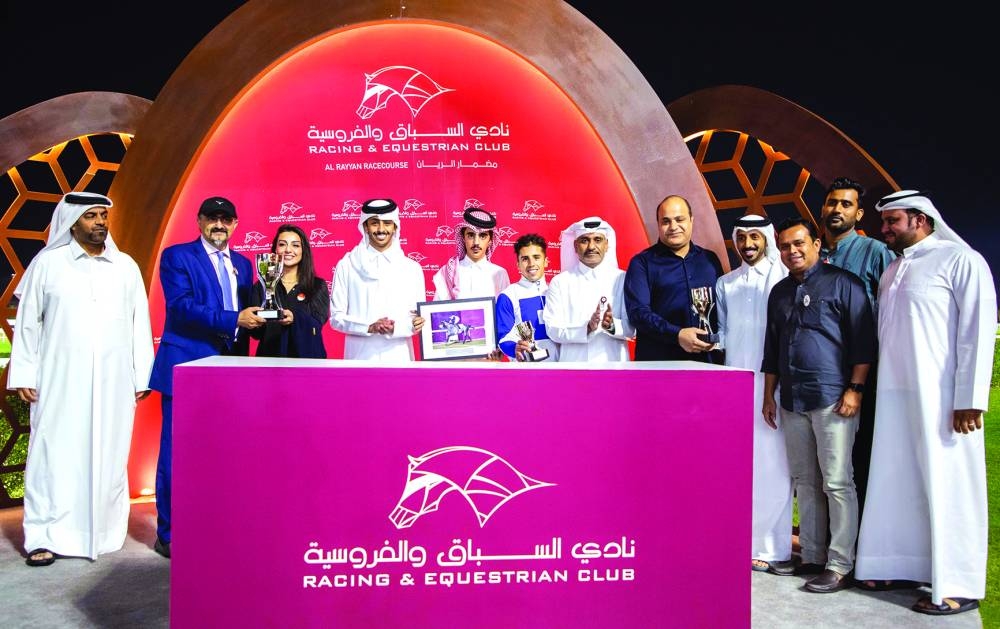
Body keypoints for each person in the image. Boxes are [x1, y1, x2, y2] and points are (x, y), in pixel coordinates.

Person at [854, 191, 997, 616]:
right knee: (895, 480)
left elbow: (977, 331)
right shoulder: (893, 270)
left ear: (920, 220)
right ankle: (898, 564)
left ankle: (959, 582)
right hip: (896, 396)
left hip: (944, 400)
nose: (884, 230)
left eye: (892, 221)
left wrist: (969, 398)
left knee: (949, 484)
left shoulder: (961, 261)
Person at [7, 192, 154, 567]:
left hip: (114, 382)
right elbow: (28, 324)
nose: (100, 222)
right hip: (58, 380)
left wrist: (141, 374)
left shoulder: (125, 267)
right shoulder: (48, 264)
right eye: (91, 216)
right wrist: (25, 371)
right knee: (52, 455)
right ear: (72, 221)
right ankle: (43, 535)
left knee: (109, 453)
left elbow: (140, 324)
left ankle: (102, 531)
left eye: (103, 215)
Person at [761, 217, 875, 593]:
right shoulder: (778, 293)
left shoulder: (845, 284)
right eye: (784, 246)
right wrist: (769, 396)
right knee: (806, 482)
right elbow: (773, 350)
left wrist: (854, 389)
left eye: (799, 244)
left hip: (833, 399)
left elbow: (863, 342)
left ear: (815, 244)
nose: (791, 251)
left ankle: (840, 563)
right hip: (792, 399)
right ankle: (811, 555)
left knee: (838, 482)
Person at [148, 196, 264, 558]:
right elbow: (180, 307)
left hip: (231, 372)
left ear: (235, 225)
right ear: (198, 221)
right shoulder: (177, 256)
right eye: (212, 218)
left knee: (225, 453)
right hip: (187, 369)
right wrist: (234, 319)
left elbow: (253, 314)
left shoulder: (246, 265)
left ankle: (216, 522)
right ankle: (169, 532)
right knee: (175, 453)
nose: (219, 225)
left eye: (226, 219)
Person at [714, 214, 792, 575]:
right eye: (742, 237)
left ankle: (772, 546)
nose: (747, 244)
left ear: (767, 239)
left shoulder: (783, 279)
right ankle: (737, 538)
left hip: (771, 383)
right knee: (739, 463)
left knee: (773, 465)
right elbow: (725, 333)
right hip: (735, 382)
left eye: (754, 238)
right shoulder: (725, 283)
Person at [818, 177, 896, 513]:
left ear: (859, 214)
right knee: (824, 466)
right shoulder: (813, 254)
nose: (837, 209)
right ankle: (822, 549)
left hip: (861, 376)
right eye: (832, 202)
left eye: (845, 204)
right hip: (820, 376)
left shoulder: (875, 252)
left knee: (857, 462)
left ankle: (858, 552)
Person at [624, 195, 724, 362]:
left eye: (679, 219)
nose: (673, 227)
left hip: (708, 362)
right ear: (658, 224)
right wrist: (677, 335)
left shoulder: (709, 260)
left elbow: (722, 309)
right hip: (660, 365)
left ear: (691, 220)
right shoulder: (642, 263)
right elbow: (638, 313)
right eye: (666, 221)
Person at [330, 198, 426, 360]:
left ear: (395, 226)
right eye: (375, 223)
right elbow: (336, 318)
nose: (381, 229)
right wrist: (369, 327)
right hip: (359, 358)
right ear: (365, 227)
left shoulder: (412, 268)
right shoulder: (347, 265)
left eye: (387, 223)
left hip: (399, 357)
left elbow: (417, 319)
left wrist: (395, 328)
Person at [542, 217, 634, 362]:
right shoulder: (560, 282)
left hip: (614, 367)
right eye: (584, 240)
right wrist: (586, 329)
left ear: (606, 244)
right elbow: (553, 330)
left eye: (597, 240)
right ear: (575, 245)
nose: (591, 246)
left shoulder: (623, 279)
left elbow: (632, 328)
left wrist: (611, 326)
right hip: (573, 368)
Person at [249, 224, 328, 358]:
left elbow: (318, 322)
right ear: (275, 249)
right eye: (282, 244)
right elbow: (256, 334)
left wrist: (294, 317)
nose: (288, 250)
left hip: (307, 360)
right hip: (270, 360)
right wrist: (256, 320)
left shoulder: (317, 285)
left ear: (304, 251)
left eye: (295, 245)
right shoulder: (262, 286)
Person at [495, 233, 559, 361]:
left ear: (546, 261)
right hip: (526, 372)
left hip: (560, 369)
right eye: (525, 259)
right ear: (518, 264)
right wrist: (515, 349)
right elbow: (503, 338)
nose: (531, 263)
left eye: (536, 257)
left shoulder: (557, 291)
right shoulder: (507, 295)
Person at [432, 207, 510, 300]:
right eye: (471, 235)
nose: (476, 242)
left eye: (483, 236)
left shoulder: (499, 273)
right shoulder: (449, 272)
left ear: (490, 241)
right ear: (463, 238)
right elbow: (437, 311)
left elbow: (504, 311)